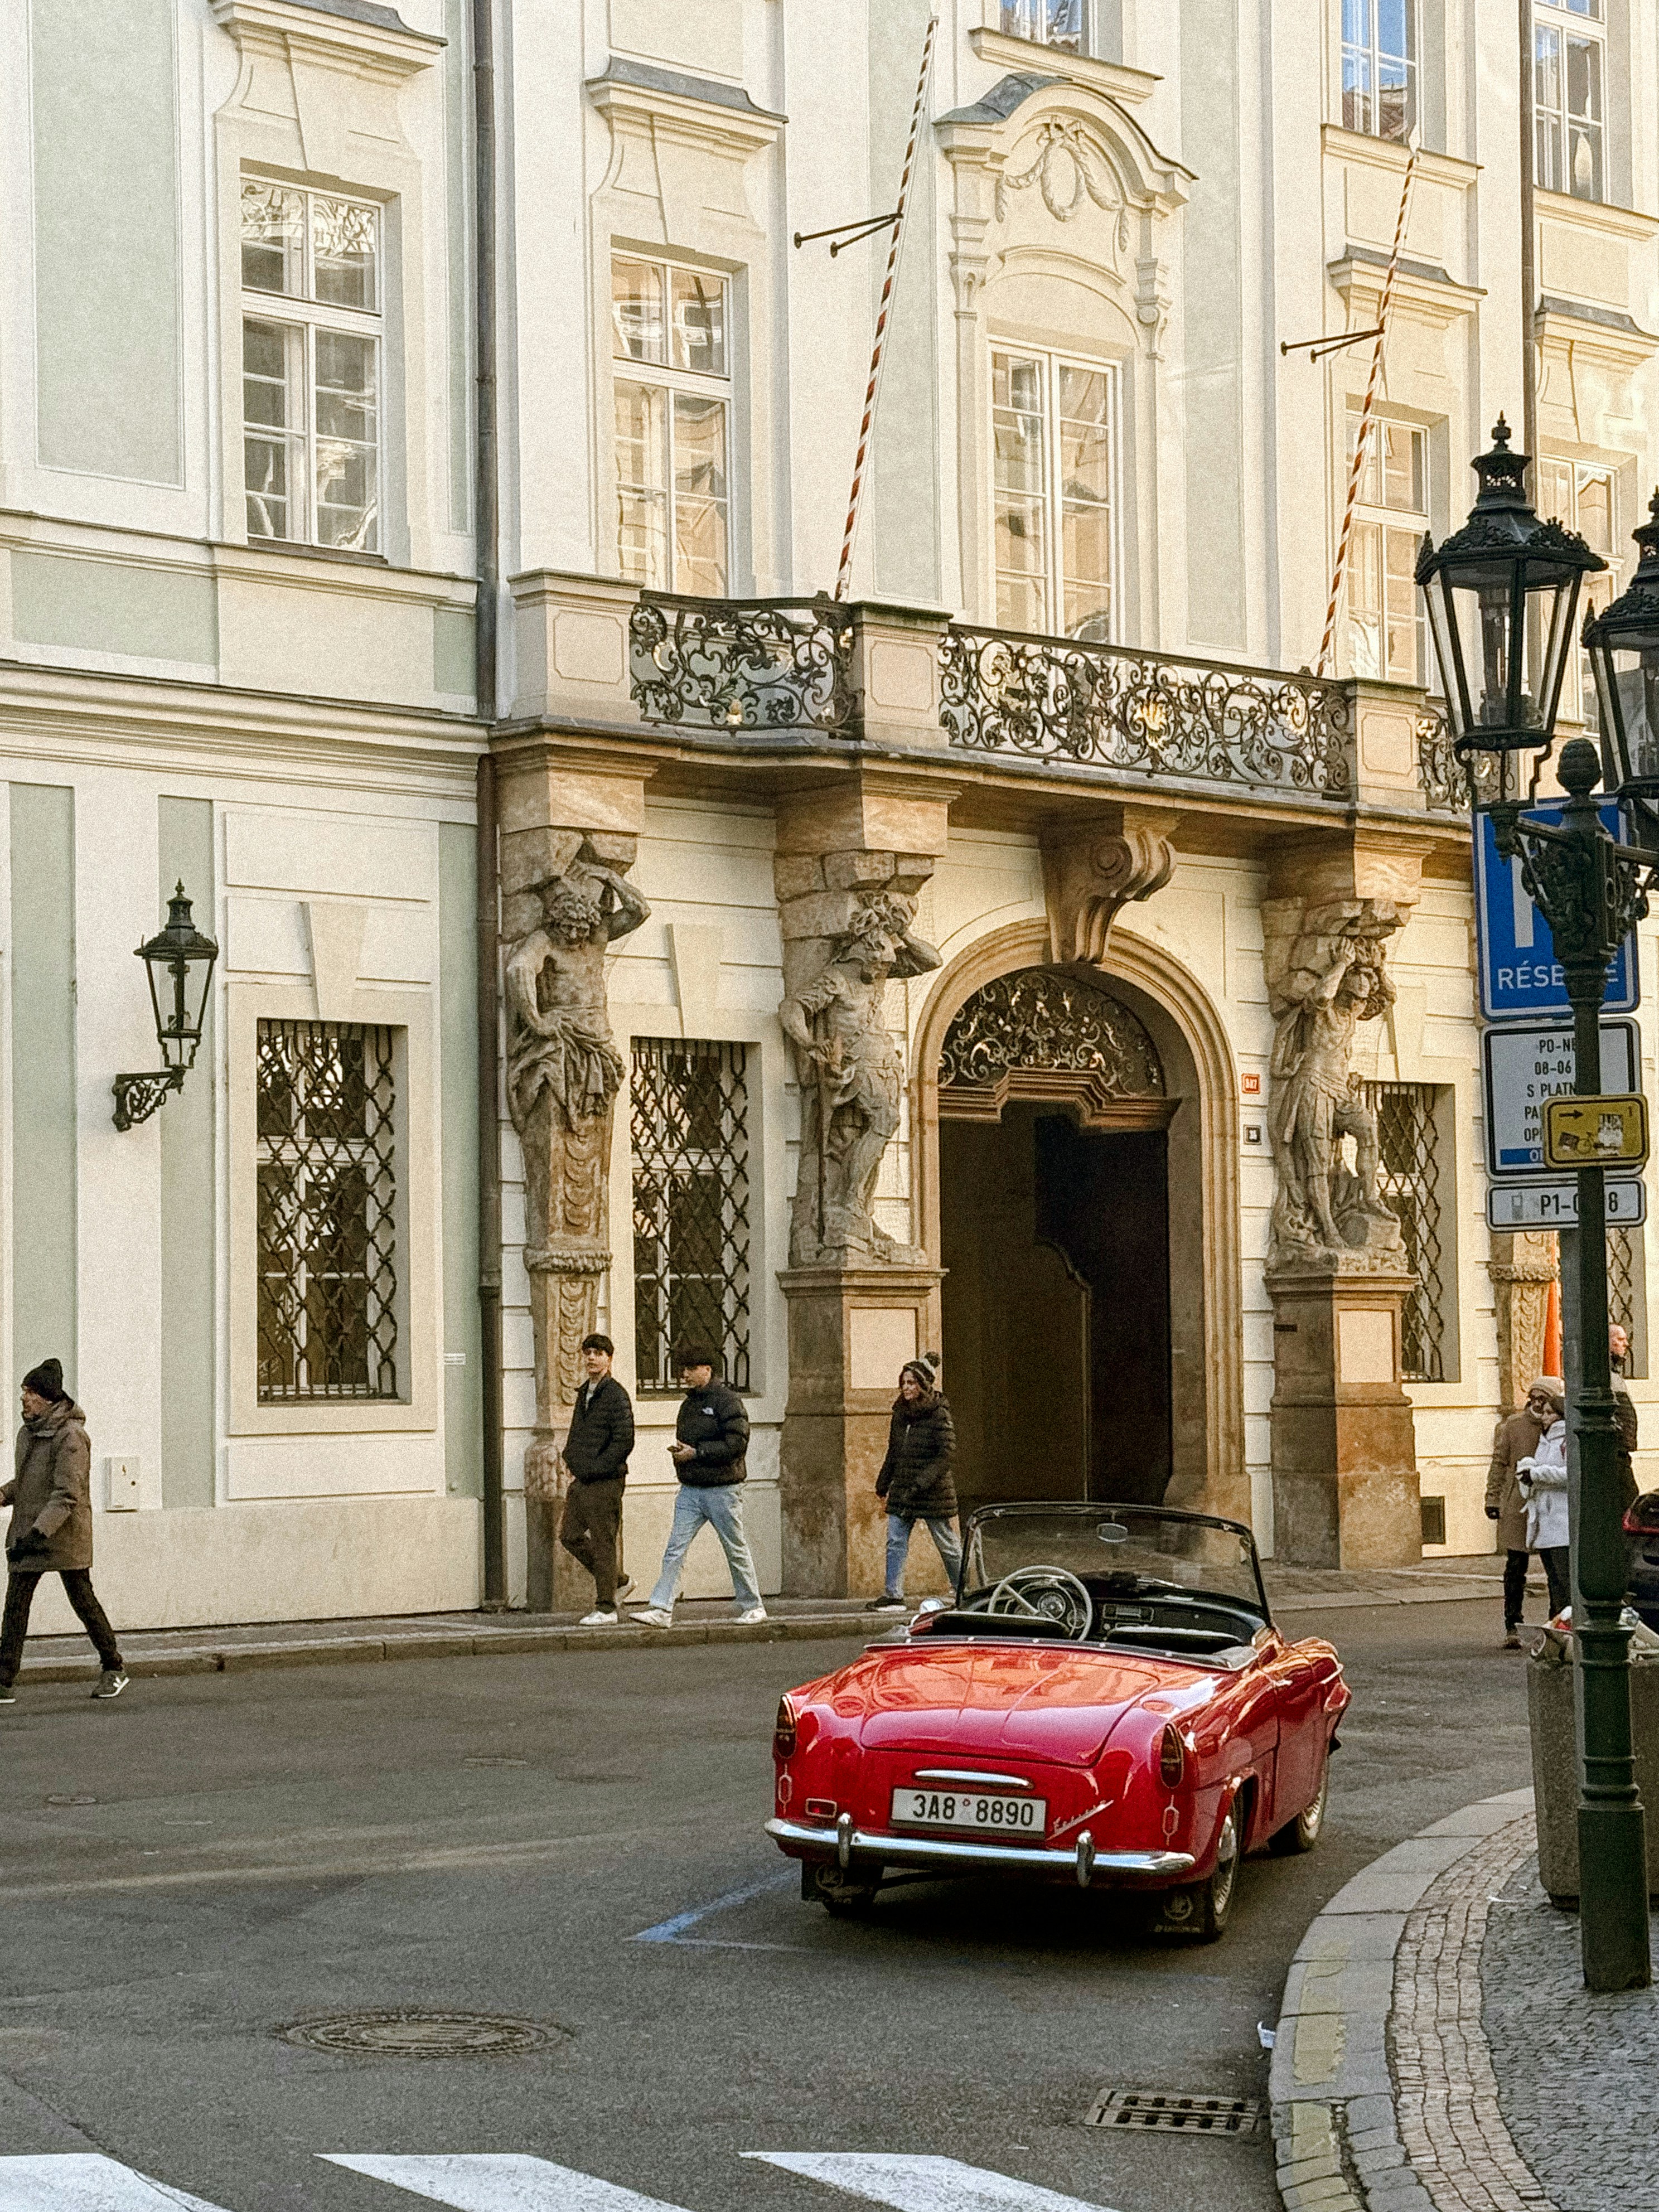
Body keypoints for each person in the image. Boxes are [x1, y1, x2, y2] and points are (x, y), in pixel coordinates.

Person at [0, 1360, 127, 1705]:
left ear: (47, 1399)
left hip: (63, 1536)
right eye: (24, 1392)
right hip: (32, 1535)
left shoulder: (72, 1436)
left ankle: (114, 1667)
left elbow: (67, 1494)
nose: (23, 1399)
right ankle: (4, 1680)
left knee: (83, 1601)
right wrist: (4, 1494)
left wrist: (36, 1535)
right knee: (15, 1607)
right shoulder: (28, 1433)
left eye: (30, 1393)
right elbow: (29, 1484)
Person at [632, 1344, 765, 1626]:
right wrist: (682, 1455)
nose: (685, 1375)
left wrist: (698, 1453)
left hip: (723, 1489)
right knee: (675, 1549)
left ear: (708, 1370)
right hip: (691, 1489)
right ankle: (661, 1609)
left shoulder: (727, 1401)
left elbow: (737, 1442)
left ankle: (753, 1605)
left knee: (735, 1548)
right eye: (684, 1369)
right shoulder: (689, 1404)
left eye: (692, 1369)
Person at [868, 1353, 961, 1614]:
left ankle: (963, 1590)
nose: (907, 1388)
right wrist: (883, 1483)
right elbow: (894, 1451)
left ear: (923, 1385)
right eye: (904, 1383)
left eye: (912, 1383)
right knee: (896, 1540)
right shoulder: (900, 1412)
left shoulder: (938, 1413)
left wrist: (922, 1483)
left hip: (932, 1490)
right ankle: (893, 1595)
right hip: (903, 1488)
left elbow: (947, 1454)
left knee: (947, 1543)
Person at [558, 1334, 636, 1625]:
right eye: (588, 1353)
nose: (592, 1358)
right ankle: (617, 1581)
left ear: (609, 1359)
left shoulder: (616, 1395)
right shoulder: (585, 1392)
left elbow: (624, 1441)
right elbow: (577, 1432)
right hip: (583, 1479)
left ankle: (606, 1608)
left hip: (605, 1481)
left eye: (598, 1353)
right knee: (570, 1535)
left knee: (604, 1543)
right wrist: (570, 1457)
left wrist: (598, 1468)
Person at [1486, 1378, 1556, 1649]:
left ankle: (1555, 1622)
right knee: (1516, 1566)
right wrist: (1492, 1498)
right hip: (1518, 1504)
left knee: (1554, 1568)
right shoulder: (1514, 1426)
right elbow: (1499, 1463)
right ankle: (1512, 1624)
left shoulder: (1558, 1426)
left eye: (1544, 1398)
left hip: (1548, 1503)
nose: (1538, 1403)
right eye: (1534, 1397)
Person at [1516, 1378, 1571, 1623]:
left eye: (1550, 1412)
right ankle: (1557, 1622)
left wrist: (1536, 1474)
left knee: (1564, 1580)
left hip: (1562, 1523)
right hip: (1545, 1523)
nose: (1544, 1416)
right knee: (1554, 1580)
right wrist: (1527, 1471)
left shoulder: (1566, 1440)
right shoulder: (1544, 1439)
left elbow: (1570, 1474)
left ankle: (1564, 1622)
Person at [1610, 1323, 1639, 1513]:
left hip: (1621, 1448)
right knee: (1629, 1501)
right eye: (1620, 1340)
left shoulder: (1615, 1373)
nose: (1626, 1344)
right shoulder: (1605, 1374)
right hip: (1615, 1449)